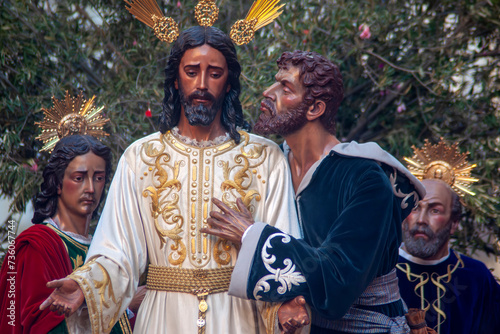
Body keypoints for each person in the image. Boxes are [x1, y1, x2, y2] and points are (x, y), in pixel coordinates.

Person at [40, 26, 302, 334]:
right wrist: (86, 285)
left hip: (239, 317)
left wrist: (287, 301)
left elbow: (285, 250)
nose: (202, 84)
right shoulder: (141, 157)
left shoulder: (265, 157)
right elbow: (117, 250)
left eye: (215, 74)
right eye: (192, 72)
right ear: (176, 80)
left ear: (229, 81)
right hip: (163, 317)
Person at [202, 50, 426, 334]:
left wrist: (251, 236)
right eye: (274, 83)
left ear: (315, 109)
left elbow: (338, 279)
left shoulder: (365, 179)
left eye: (285, 88)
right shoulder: (273, 165)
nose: (268, 92)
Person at [0, 134, 134, 333]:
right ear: (58, 183)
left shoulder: (107, 248)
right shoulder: (38, 246)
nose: (90, 188)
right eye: (79, 178)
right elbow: (39, 323)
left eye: (98, 178)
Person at [397, 178, 500, 334]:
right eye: (415, 207)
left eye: (435, 210)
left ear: (454, 223)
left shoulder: (475, 276)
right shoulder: (381, 271)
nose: (421, 220)